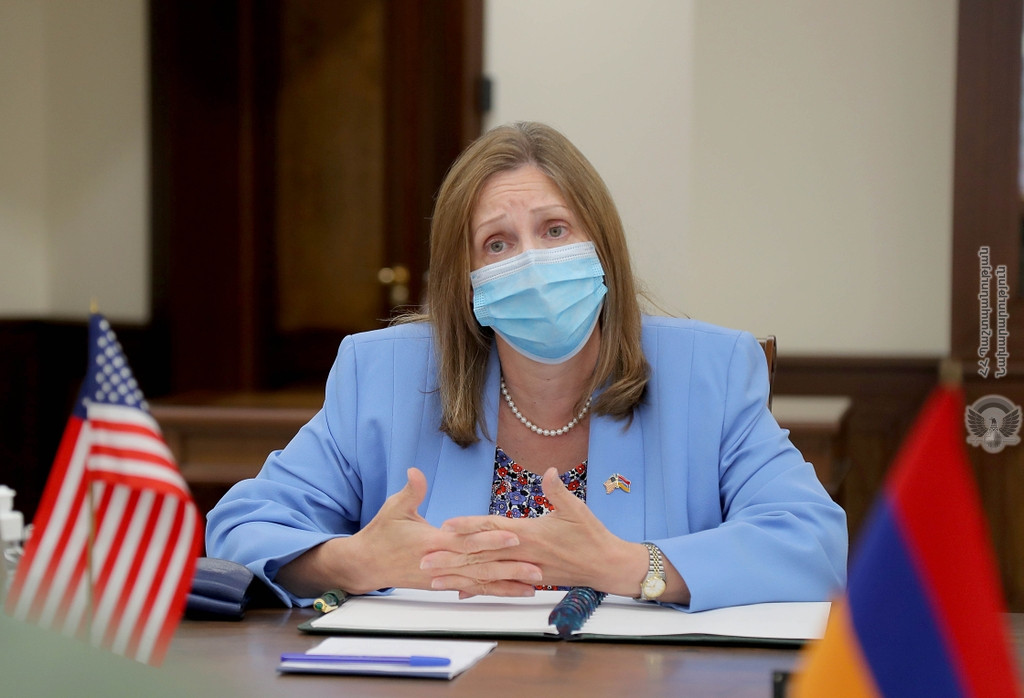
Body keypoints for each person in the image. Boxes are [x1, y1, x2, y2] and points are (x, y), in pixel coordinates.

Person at [205, 121, 847, 612]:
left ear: (602, 246)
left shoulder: (711, 370)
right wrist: (355, 562)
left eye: (555, 230)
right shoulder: (384, 374)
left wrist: (631, 567)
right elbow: (241, 528)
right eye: (498, 243)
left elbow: (813, 542)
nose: (533, 263)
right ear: (466, 281)